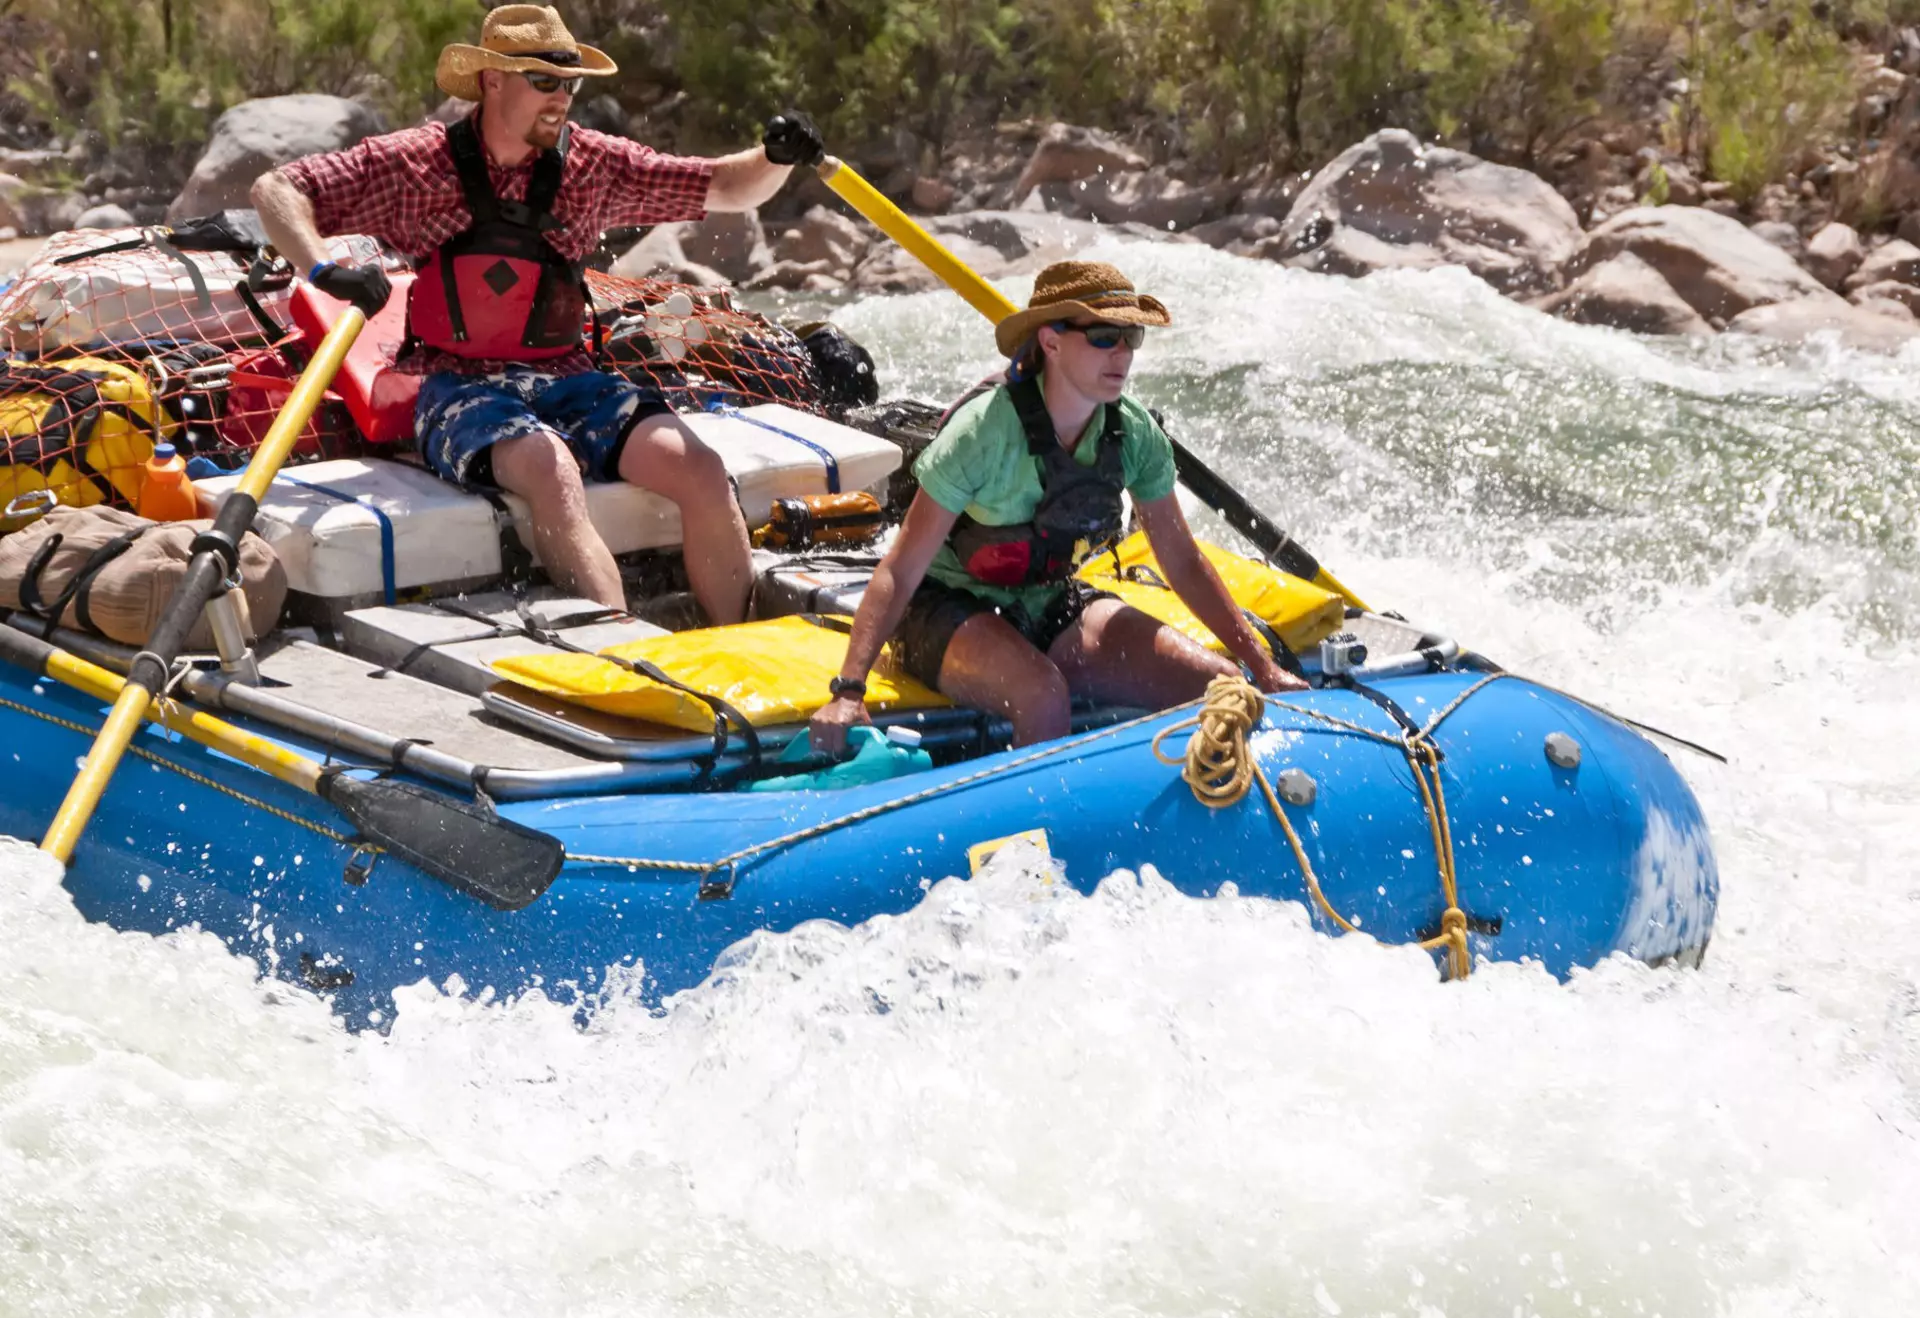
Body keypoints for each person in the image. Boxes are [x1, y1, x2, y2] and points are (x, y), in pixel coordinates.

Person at [251, 4, 829, 623]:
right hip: (457, 386)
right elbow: (277, 190)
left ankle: (736, 644)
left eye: (571, 84)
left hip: (570, 377)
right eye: (546, 82)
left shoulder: (594, 165)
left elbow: (723, 186)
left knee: (700, 468)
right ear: (492, 81)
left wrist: (774, 156)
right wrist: (321, 268)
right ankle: (621, 651)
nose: (564, 98)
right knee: (549, 466)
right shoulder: (415, 164)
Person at [810, 260, 1306, 755]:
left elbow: (1182, 560)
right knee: (1045, 696)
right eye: (1104, 336)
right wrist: (848, 690)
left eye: (1131, 336)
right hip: (943, 607)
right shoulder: (983, 432)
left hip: (1048, 601)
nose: (1122, 354)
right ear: (1050, 341)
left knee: (1219, 683)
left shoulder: (1134, 433)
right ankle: (1029, 832)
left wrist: (1261, 666)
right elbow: (900, 568)